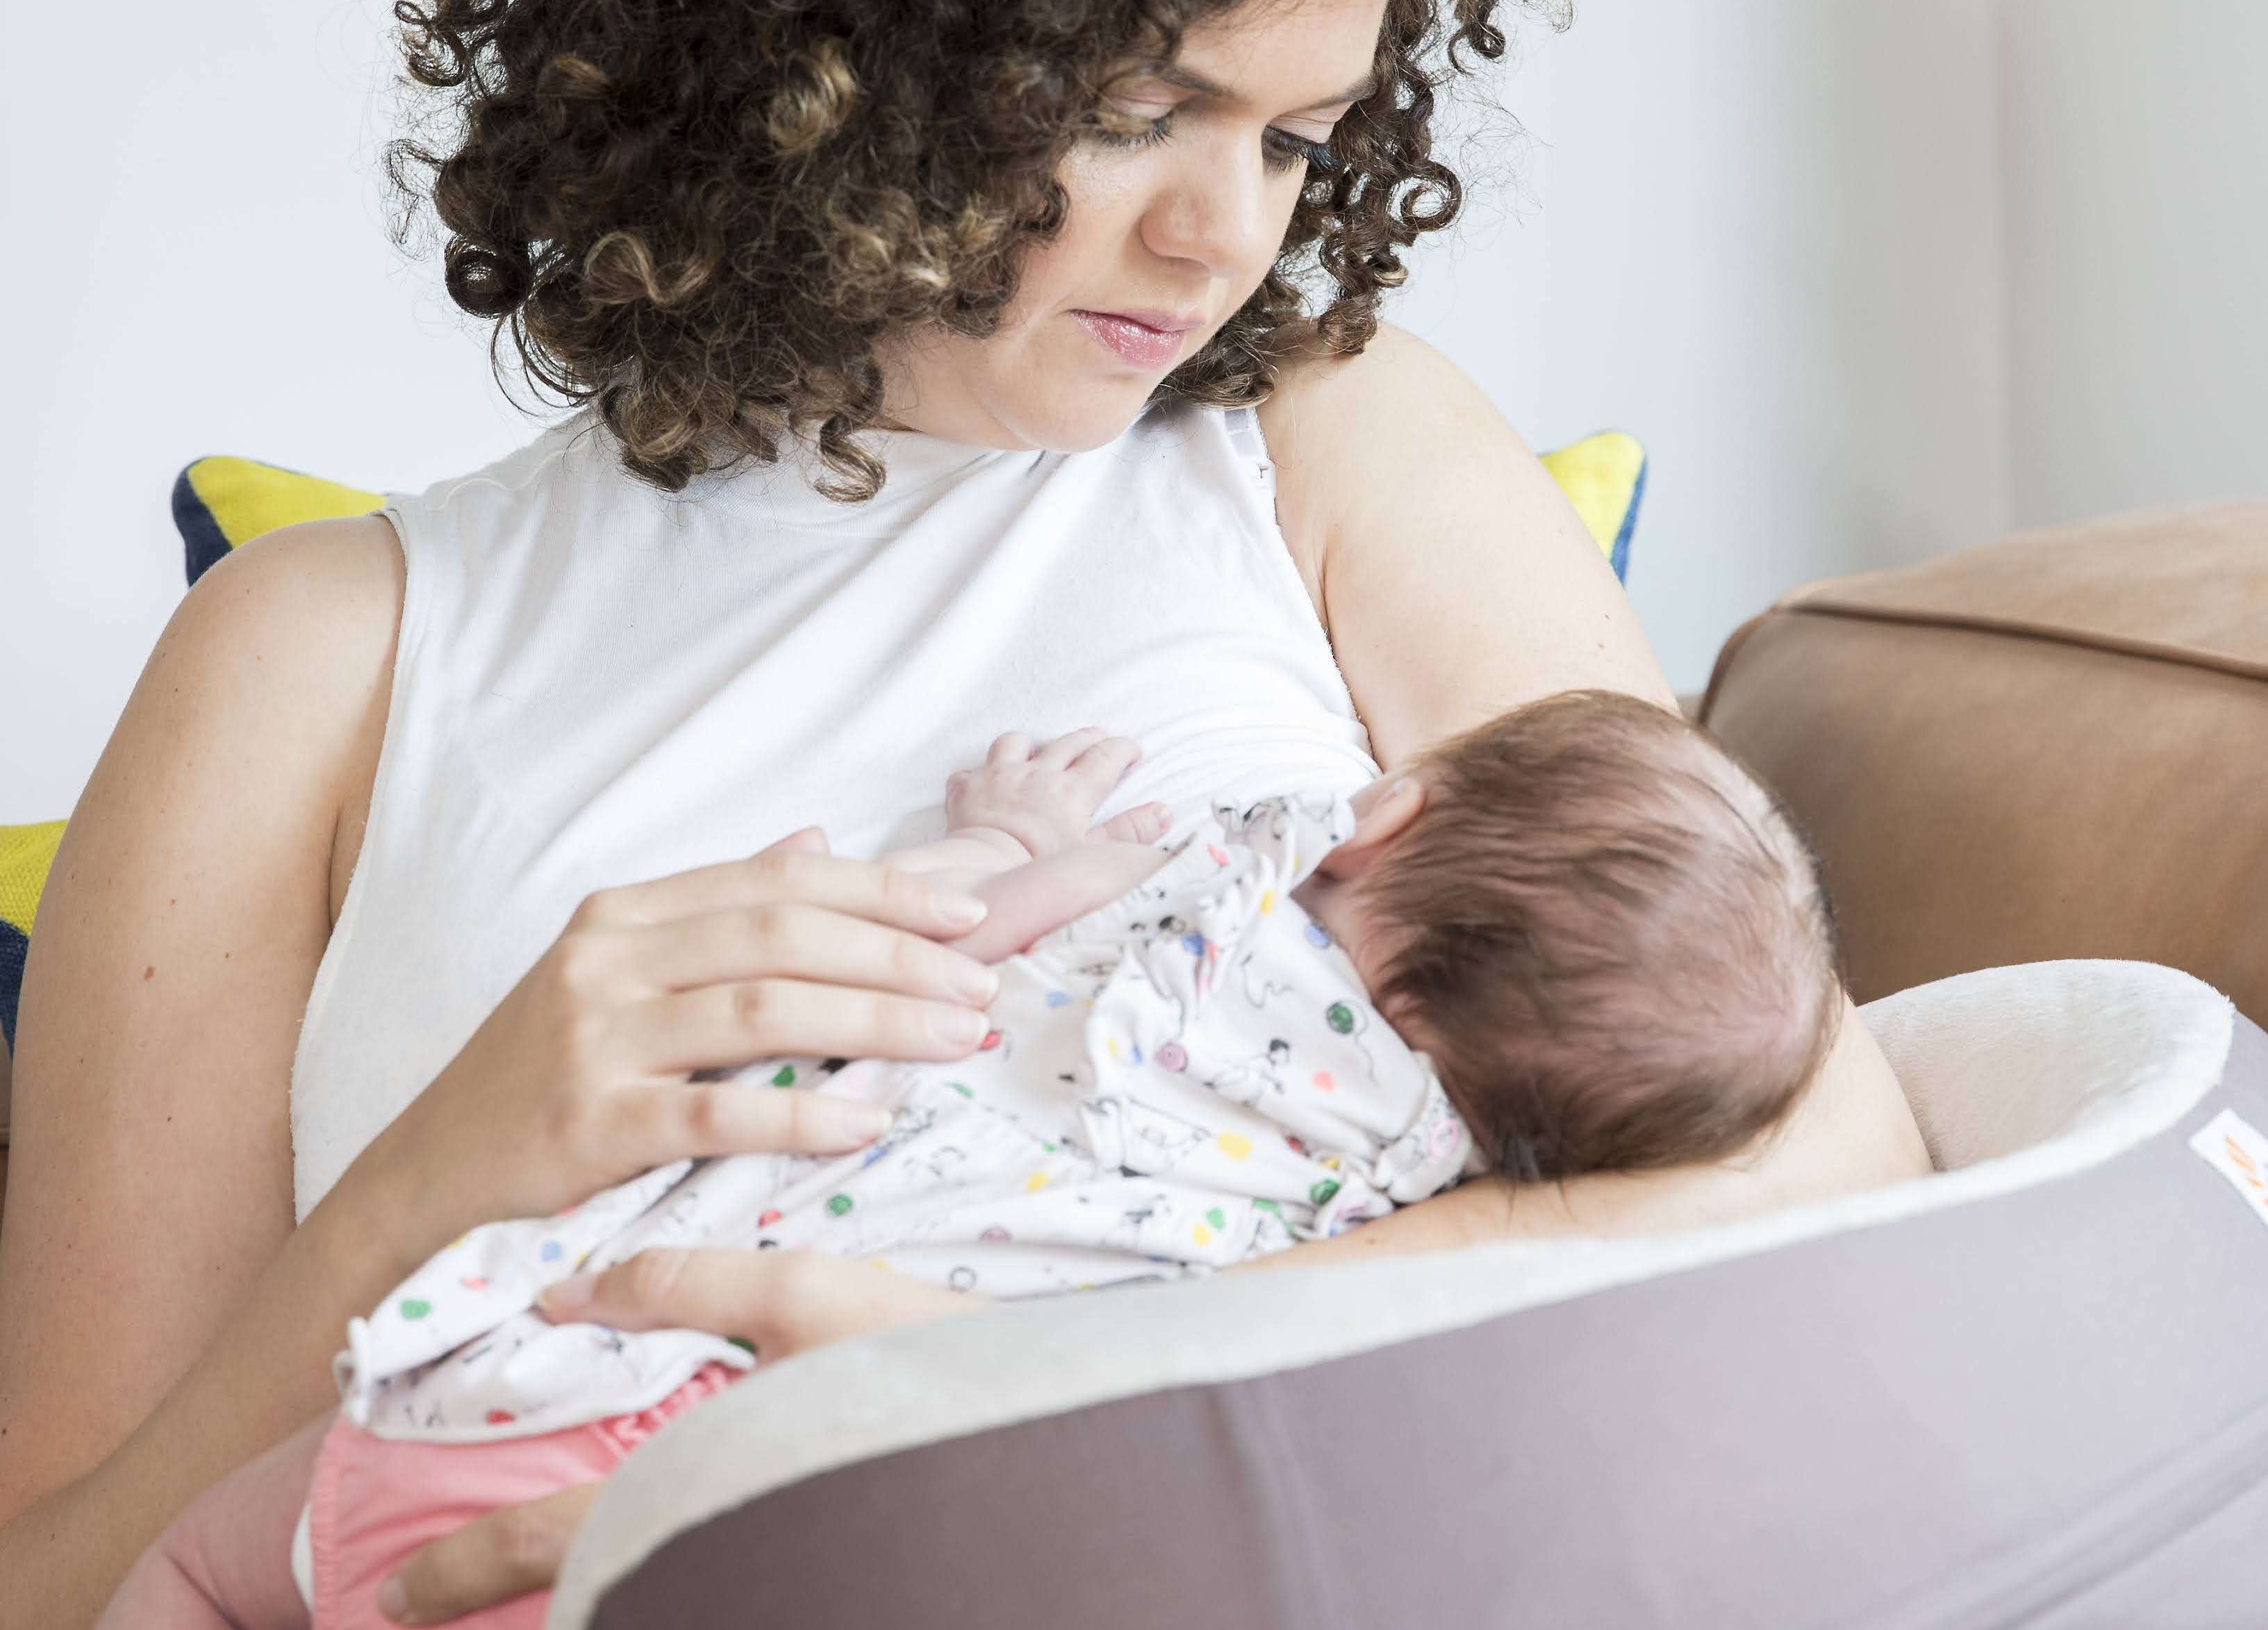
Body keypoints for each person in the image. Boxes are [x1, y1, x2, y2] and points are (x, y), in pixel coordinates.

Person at [0, 0, 1925, 1625]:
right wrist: (442, 1172)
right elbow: (53, 1578)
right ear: (808, 41)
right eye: (1133, 108)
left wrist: (1052, 1384)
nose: (1217, 238)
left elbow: (1821, 1154)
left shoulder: (1330, 445)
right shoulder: (315, 655)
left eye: (1294, 142)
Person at [99, 695, 1914, 1629]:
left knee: (196, 1571)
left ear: (1394, 812)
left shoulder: (1230, 884)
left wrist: (1018, 839)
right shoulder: (1421, 1184)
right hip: (805, 1520)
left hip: (528, 1384)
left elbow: (950, 943)